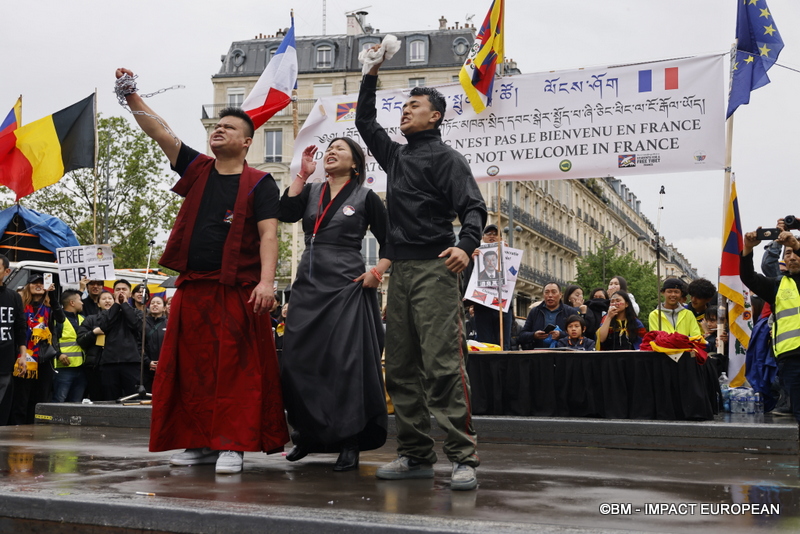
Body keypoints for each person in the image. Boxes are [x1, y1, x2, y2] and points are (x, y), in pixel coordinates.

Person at [115, 67, 289, 475]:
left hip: (239, 290)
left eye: (228, 128)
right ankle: (198, 442)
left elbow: (269, 236)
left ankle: (232, 445)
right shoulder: (197, 169)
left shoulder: (260, 183)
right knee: (191, 367)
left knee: (234, 370)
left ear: (247, 142)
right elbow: (162, 134)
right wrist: (131, 97)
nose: (218, 131)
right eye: (215, 127)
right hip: (193, 288)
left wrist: (267, 282)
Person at [356, 54, 486, 490]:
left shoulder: (447, 159)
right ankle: (414, 454)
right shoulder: (395, 156)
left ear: (435, 116)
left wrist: (465, 246)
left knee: (443, 365)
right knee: (400, 369)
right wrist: (369, 75)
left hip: (435, 268)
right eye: (403, 106)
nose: (405, 111)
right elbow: (365, 122)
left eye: (413, 106)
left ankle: (463, 458)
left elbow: (474, 207)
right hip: (403, 272)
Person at [278, 139, 389, 472]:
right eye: (329, 148)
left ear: (355, 163)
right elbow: (285, 213)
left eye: (340, 148)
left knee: (346, 363)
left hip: (347, 286)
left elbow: (392, 241)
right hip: (308, 285)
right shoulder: (311, 191)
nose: (331, 152)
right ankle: (308, 436)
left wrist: (377, 272)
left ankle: (350, 441)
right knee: (299, 360)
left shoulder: (366, 197)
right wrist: (301, 175)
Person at [740, 227, 800, 423]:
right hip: (790, 359)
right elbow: (748, 278)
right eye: (788, 253)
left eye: (795, 253)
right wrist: (748, 249)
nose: (792, 257)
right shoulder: (778, 284)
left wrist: (795, 244)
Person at [10, 274, 63, 424]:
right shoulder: (20, 306)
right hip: (22, 358)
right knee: (21, 398)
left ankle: (34, 430)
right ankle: (18, 429)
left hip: (43, 359)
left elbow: (61, 318)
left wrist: (51, 295)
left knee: (39, 399)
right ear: (28, 286)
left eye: (42, 283)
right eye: (34, 283)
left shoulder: (49, 308)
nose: (38, 285)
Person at [466, 224, 512, 349]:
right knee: (484, 345)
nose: (492, 236)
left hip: (502, 306)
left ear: (501, 239)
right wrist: (472, 261)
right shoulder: (474, 255)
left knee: (503, 345)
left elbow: (513, 277)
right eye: (488, 233)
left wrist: (508, 255)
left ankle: (503, 368)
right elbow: (468, 279)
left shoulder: (508, 253)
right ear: (483, 237)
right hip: (483, 306)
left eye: (495, 234)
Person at [0, 254, 27, 425]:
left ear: (6, 271)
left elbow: (20, 328)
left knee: (3, 407)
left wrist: (23, 355)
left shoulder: (14, 297)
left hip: (5, 361)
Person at [77, 291, 115, 401]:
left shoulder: (120, 319)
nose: (107, 301)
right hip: (95, 365)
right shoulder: (90, 319)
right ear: (98, 304)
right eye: (104, 299)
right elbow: (81, 340)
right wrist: (94, 333)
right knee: (96, 397)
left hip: (115, 363)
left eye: (110, 298)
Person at [52, 290, 88, 403]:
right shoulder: (57, 319)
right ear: (72, 303)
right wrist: (58, 354)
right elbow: (50, 340)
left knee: (76, 403)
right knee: (59, 401)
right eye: (80, 300)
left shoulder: (83, 319)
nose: (82, 303)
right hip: (63, 368)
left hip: (82, 367)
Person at [518, 283, 578, 349]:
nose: (550, 295)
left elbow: (579, 334)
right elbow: (522, 335)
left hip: (563, 353)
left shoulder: (570, 312)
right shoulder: (535, 311)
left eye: (554, 292)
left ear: (560, 295)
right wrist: (534, 335)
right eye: (546, 292)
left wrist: (561, 335)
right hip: (539, 353)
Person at [144, 295, 168, 393]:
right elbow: (138, 344)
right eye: (152, 303)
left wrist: (163, 363)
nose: (155, 305)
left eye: (158, 303)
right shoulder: (142, 323)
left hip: (164, 367)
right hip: (146, 368)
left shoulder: (169, 324)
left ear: (164, 308)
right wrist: (147, 361)